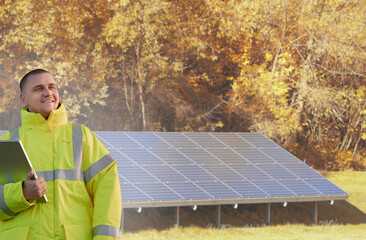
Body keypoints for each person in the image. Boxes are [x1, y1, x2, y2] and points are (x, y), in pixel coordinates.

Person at [0, 69, 122, 239]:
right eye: (38, 89)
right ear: (23, 99)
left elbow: (108, 192)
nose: (48, 92)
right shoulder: (8, 141)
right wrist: (21, 193)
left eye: (52, 87)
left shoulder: (82, 137)